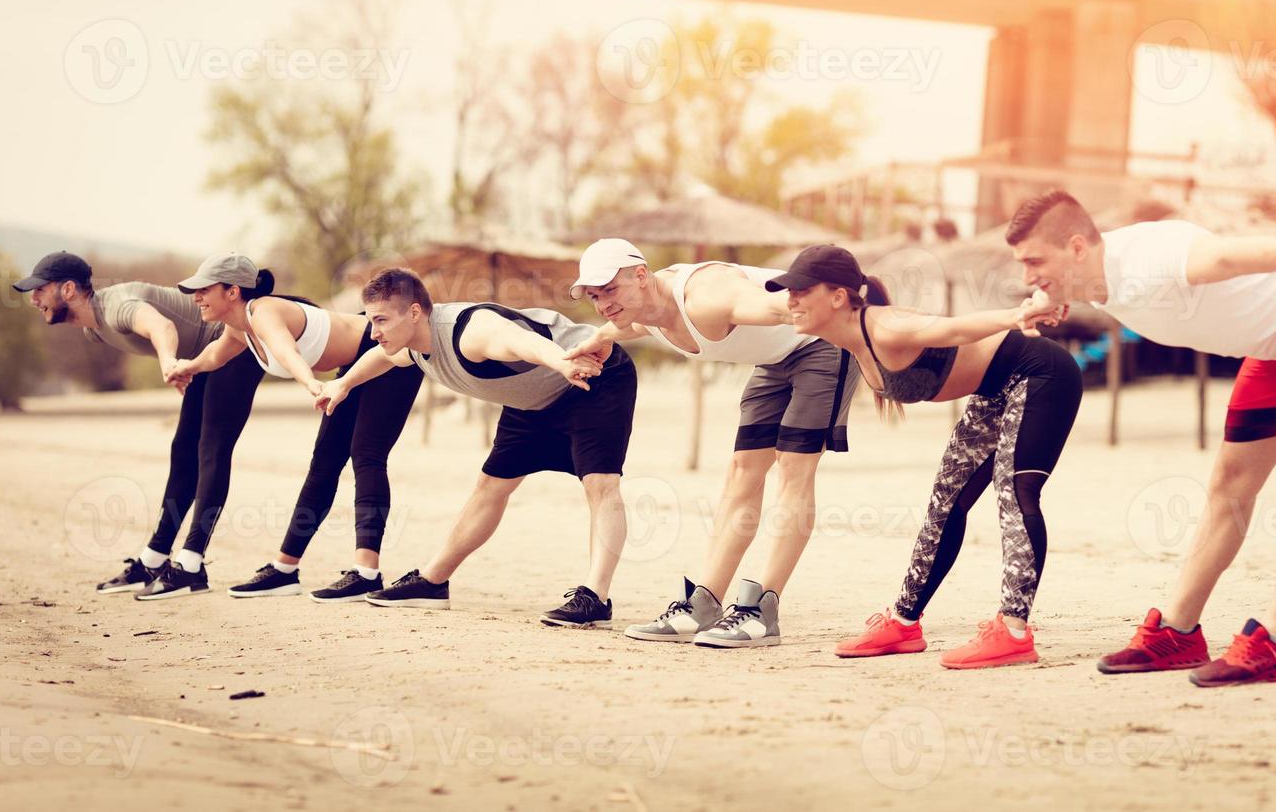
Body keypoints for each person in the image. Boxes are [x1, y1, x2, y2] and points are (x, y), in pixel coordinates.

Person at [1006, 189, 1276, 687]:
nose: (1027, 275)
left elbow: (1223, 254)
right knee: (1230, 478)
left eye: (1035, 261)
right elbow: (1072, 292)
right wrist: (1049, 298)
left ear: (1077, 247)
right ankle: (1178, 632)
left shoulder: (1150, 257)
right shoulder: (1092, 275)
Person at [758, 246, 1079, 668]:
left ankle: (1014, 631)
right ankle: (903, 622)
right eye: (787, 291)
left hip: (1041, 375)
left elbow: (955, 327)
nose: (791, 300)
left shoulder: (887, 327)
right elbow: (742, 309)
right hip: (996, 389)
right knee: (945, 501)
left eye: (800, 290)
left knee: (1014, 491)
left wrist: (1019, 314)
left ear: (837, 297)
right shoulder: (841, 333)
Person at [564, 239, 861, 649]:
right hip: (775, 361)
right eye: (596, 296)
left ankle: (763, 610)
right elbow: (626, 325)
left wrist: (875, 322)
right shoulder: (643, 309)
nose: (604, 304)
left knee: (793, 467)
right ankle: (705, 602)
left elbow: (783, 309)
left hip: (821, 344)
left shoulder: (708, 297)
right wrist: (600, 337)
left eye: (610, 290)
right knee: (743, 470)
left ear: (641, 275)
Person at [314, 267, 636, 628]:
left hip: (593, 377)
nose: (374, 332)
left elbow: (520, 342)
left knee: (600, 484)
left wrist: (563, 363)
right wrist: (343, 385)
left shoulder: (470, 331)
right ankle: (432, 583)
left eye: (381, 320)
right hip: (532, 401)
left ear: (415, 313)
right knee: (490, 487)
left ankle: (595, 598)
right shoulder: (412, 346)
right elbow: (381, 358)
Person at [165, 253, 422, 602]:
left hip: (385, 352)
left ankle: (366, 573)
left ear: (232, 292)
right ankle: (284, 570)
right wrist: (188, 367)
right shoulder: (239, 328)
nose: (196, 297)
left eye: (204, 289)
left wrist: (311, 384)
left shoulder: (263, 311)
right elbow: (215, 355)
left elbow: (286, 352)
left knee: (367, 456)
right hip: (353, 365)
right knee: (324, 464)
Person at [14, 251, 265, 599]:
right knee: (184, 450)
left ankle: (191, 563)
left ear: (68, 289)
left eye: (39, 290)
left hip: (234, 341)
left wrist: (168, 364)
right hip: (207, 355)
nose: (34, 300)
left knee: (211, 448)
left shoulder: (115, 307)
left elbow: (162, 326)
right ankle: (154, 559)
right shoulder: (93, 331)